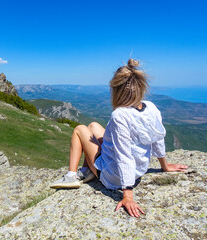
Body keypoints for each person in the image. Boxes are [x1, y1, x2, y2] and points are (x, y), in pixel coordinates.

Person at [50, 59, 188, 218]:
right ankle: (87, 170)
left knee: (80, 130)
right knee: (94, 125)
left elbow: (124, 156)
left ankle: (71, 176)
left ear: (116, 90)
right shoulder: (151, 108)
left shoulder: (119, 115)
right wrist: (164, 165)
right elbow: (157, 138)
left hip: (113, 177)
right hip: (138, 172)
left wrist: (127, 195)